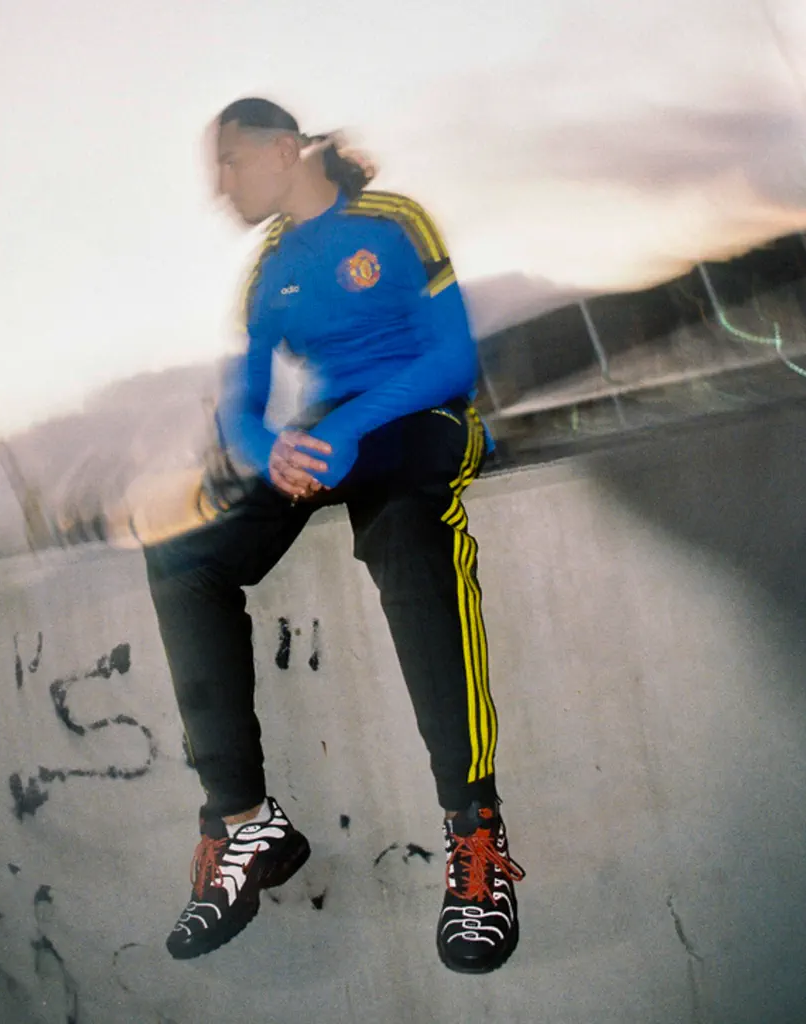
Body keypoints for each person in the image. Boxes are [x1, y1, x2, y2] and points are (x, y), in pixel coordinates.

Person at [143, 96, 524, 975]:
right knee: (183, 555)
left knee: (404, 527)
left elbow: (453, 357)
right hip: (327, 439)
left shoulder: (392, 222)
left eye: (230, 162)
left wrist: (352, 428)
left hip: (421, 416)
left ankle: (475, 833)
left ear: (285, 149)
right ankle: (246, 824)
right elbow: (240, 405)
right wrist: (269, 451)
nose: (220, 187)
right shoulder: (267, 270)